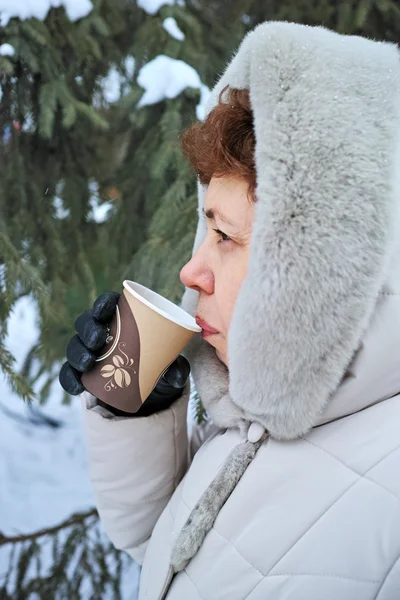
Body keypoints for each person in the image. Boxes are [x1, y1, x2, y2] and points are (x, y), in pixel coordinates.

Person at [59, 21, 400, 600]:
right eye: (205, 227)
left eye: (225, 236)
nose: (192, 272)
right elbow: (177, 553)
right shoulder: (263, 417)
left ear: (321, 268)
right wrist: (142, 414)